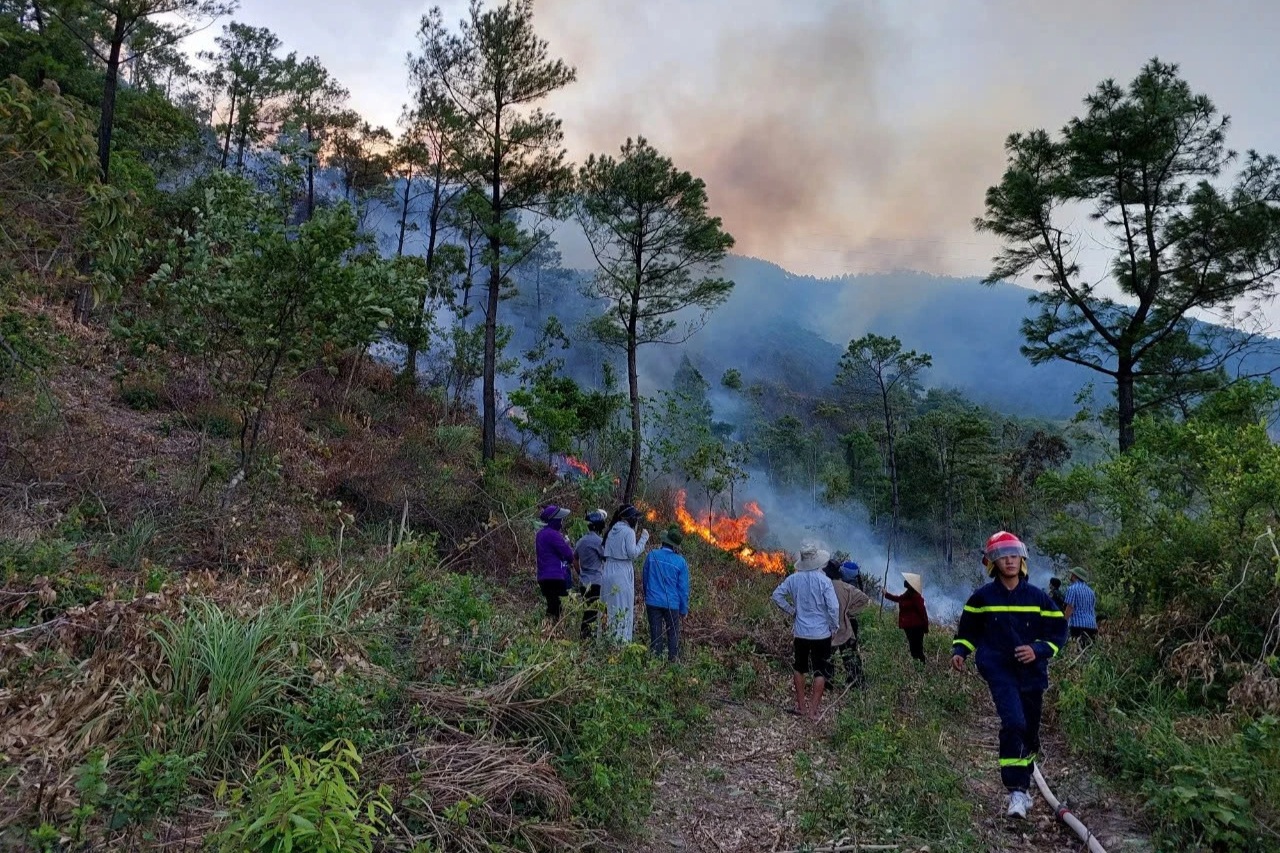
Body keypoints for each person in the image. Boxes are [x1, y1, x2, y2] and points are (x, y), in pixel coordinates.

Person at [950, 531, 1068, 820]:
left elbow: (1058, 631)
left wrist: (1038, 650)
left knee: (1029, 731)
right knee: (1013, 722)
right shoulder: (982, 598)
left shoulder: (1037, 597)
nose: (1009, 561)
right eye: (1002, 557)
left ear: (1022, 560)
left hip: (1032, 674)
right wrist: (960, 651)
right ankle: (1016, 790)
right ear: (992, 563)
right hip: (999, 669)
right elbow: (969, 630)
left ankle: (1024, 782)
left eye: (1014, 555)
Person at [771, 545, 840, 721]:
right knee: (820, 671)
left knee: (799, 668)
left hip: (801, 632)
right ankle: (813, 712)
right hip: (821, 633)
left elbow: (777, 595)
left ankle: (801, 706)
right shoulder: (824, 581)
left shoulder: (794, 579)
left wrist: (792, 610)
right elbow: (833, 607)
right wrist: (834, 627)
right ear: (817, 561)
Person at [600, 504, 649, 643]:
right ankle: (620, 642)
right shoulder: (628, 532)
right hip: (621, 572)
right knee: (622, 606)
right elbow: (632, 553)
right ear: (627, 518)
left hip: (607, 570)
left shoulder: (611, 530)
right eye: (635, 517)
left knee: (608, 607)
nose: (636, 520)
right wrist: (643, 539)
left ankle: (605, 640)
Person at [642, 526, 690, 661]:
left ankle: (655, 662)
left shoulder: (652, 556)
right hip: (672, 604)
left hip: (652, 602)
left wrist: (647, 595)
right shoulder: (680, 562)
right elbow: (683, 589)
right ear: (675, 547)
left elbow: (645, 579)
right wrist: (683, 609)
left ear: (663, 541)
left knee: (656, 632)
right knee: (673, 633)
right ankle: (673, 660)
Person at [823, 556, 871, 687]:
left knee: (827, 655)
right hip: (846, 626)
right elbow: (865, 599)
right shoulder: (846, 587)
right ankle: (857, 682)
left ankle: (828, 682)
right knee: (849, 654)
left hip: (828, 628)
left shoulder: (825, 586)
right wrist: (849, 612)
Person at [534, 505, 574, 621]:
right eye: (560, 519)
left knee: (552, 606)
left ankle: (547, 631)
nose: (561, 522)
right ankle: (552, 633)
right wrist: (566, 544)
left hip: (543, 577)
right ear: (554, 520)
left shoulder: (540, 535)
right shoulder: (554, 534)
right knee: (557, 609)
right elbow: (568, 555)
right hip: (555, 577)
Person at [575, 508, 608, 640]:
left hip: (583, 582)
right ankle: (587, 639)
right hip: (596, 582)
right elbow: (606, 557)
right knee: (593, 613)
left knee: (587, 610)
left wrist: (580, 572)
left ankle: (585, 637)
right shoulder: (599, 542)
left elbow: (574, 558)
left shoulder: (581, 541)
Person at [882, 572, 929, 664]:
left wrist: (925, 627)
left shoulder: (916, 597)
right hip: (909, 627)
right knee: (913, 649)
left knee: (918, 649)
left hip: (916, 628)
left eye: (907, 581)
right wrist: (886, 594)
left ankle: (921, 667)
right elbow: (899, 599)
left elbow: (923, 613)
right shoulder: (908, 594)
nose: (905, 582)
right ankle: (917, 667)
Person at [1063, 567, 1098, 647]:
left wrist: (1064, 622)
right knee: (1088, 653)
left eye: (1072, 574)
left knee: (1076, 650)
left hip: (1077, 626)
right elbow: (1092, 609)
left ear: (1075, 576)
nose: (1070, 575)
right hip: (1092, 626)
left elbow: (1070, 607)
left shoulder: (1072, 589)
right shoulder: (1091, 591)